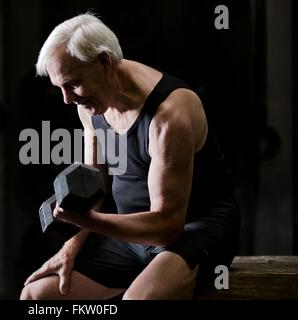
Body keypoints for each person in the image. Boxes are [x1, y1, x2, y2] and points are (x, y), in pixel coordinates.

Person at [20, 12, 240, 300]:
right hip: (130, 234)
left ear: (105, 62)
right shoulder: (89, 105)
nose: (66, 98)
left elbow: (168, 228)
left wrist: (87, 222)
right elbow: (92, 186)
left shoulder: (171, 113)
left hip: (191, 230)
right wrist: (70, 248)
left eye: (72, 84)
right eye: (59, 87)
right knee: (36, 296)